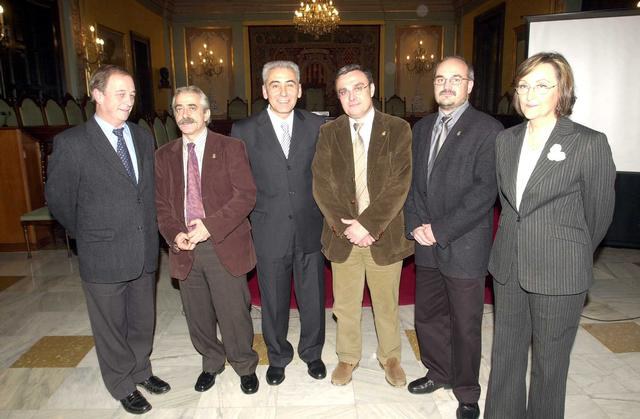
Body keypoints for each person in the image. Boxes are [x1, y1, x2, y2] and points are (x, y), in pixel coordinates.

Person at [485, 52, 616, 419]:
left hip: (560, 270)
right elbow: (509, 203)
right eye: (523, 85)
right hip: (509, 265)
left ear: (563, 90)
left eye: (542, 85)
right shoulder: (505, 140)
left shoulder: (588, 143)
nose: (530, 94)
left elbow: (598, 215)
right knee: (505, 357)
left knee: (549, 366)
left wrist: (567, 250)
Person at [46, 65, 169, 415]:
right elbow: (59, 200)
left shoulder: (141, 136)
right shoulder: (72, 143)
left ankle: (141, 370)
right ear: (97, 95)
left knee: (142, 319)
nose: (128, 101)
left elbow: (147, 191)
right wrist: (89, 234)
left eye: (132, 95)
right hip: (102, 251)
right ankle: (121, 383)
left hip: (142, 248)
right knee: (111, 325)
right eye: (120, 94)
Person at [404, 56, 502, 419]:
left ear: (469, 86)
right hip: (425, 242)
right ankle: (438, 372)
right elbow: (413, 184)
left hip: (464, 244)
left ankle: (466, 391)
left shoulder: (488, 129)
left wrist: (440, 229)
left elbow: (484, 192)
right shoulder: (421, 128)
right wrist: (415, 224)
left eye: (455, 79)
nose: (446, 85)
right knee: (428, 317)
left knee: (465, 324)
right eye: (440, 79)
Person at [312, 64, 413, 387]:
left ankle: (391, 357)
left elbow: (399, 184)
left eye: (357, 88)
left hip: (384, 233)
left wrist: (368, 225)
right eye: (343, 91)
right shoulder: (329, 132)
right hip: (343, 235)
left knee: (386, 304)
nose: (351, 96)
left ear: (371, 89)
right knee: (345, 305)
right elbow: (322, 184)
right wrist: (349, 228)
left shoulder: (397, 128)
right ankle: (347, 357)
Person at [155, 85, 260, 395]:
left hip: (222, 242)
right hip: (184, 245)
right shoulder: (163, 155)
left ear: (206, 113)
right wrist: (175, 233)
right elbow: (161, 205)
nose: (185, 114)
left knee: (233, 312)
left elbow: (246, 195)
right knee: (197, 314)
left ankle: (244, 364)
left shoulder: (230, 147)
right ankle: (211, 362)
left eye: (192, 107)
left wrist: (209, 227)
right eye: (178, 108)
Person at [230, 61, 326, 385]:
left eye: (289, 85)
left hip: (310, 225)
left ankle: (312, 352)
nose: (283, 92)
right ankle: (278, 356)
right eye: (275, 85)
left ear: (299, 90)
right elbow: (238, 183)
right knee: (272, 299)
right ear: (263, 90)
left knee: (313, 297)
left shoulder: (318, 125)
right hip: (268, 228)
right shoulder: (243, 130)